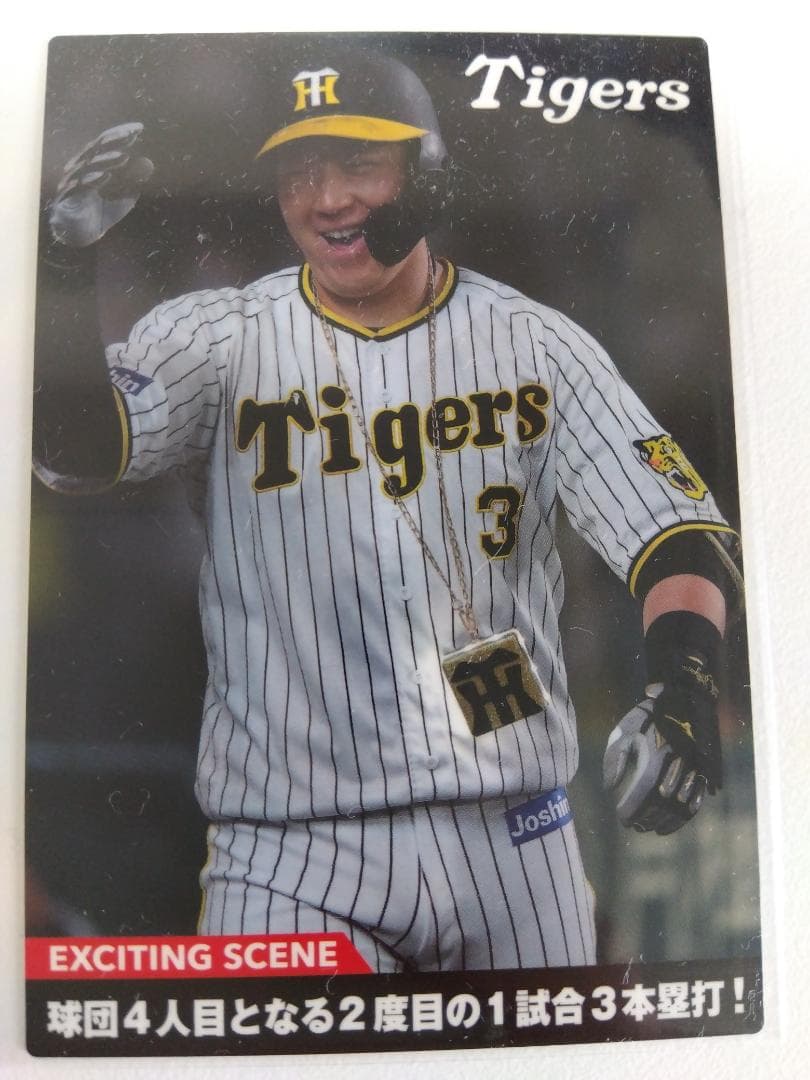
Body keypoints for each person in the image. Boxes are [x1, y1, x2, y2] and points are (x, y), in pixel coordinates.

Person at [33, 47, 742, 973]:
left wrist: (684, 683)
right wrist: (62, 267)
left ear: (427, 175)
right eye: (300, 172)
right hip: (291, 855)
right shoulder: (220, 337)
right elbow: (77, 453)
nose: (327, 199)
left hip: (515, 843)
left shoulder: (531, 341)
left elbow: (677, 527)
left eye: (359, 164)